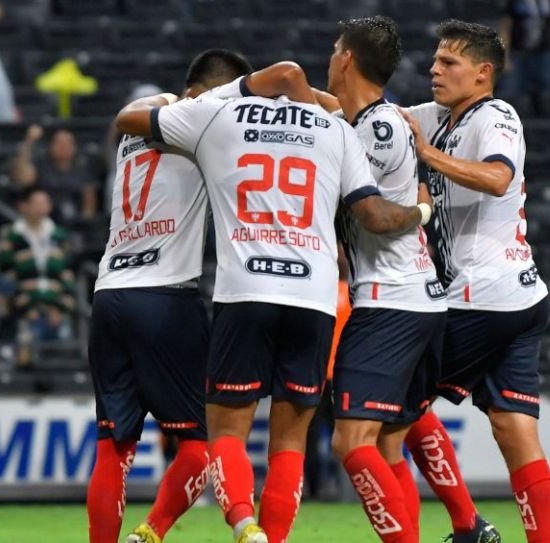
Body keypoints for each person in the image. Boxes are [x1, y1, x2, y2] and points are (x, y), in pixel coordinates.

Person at [115, 62, 431, 543]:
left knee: (225, 433)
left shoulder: (218, 115)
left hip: (245, 292)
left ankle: (244, 522)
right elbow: (370, 212)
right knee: (290, 443)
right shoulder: (336, 128)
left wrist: (225, 93)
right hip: (314, 297)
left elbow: (131, 121)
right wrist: (423, 207)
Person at [264, 17, 497, 543]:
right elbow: (327, 106)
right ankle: (464, 526)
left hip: (390, 303)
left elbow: (371, 214)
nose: (327, 59)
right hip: (412, 300)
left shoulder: (379, 128)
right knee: (391, 443)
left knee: (351, 442)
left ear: (346, 59)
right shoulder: (364, 120)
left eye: (332, 50)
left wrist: (420, 211)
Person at [90, 50, 267, 543]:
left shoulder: (143, 113)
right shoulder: (205, 123)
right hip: (165, 298)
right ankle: (150, 534)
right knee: (202, 445)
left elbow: (121, 125)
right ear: (215, 93)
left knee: (112, 448)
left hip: (109, 294)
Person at [400, 20, 550, 543]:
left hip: (481, 296)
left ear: (483, 73)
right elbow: (368, 111)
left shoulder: (497, 115)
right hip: (518, 297)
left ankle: (466, 525)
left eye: (449, 63)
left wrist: (427, 157)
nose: (434, 70)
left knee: (389, 409)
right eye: (436, 60)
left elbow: (497, 178)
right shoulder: (439, 117)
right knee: (514, 429)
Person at [0, 188, 75, 350]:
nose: (41, 207)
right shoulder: (12, 235)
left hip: (56, 312)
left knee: (62, 360)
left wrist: (59, 308)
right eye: (36, 203)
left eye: (45, 203)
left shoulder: (58, 235)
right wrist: (25, 307)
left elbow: (67, 274)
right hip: (23, 313)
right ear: (24, 206)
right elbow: (6, 274)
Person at [498, 0, 550, 111]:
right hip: (519, 54)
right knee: (508, 93)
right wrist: (505, 59)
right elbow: (506, 28)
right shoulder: (514, 2)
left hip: (544, 54)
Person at [11, 126, 99, 224]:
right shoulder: (41, 163)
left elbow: (89, 200)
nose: (64, 147)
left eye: (68, 143)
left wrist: (85, 221)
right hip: (43, 219)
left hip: (74, 219)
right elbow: (24, 178)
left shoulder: (81, 165)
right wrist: (29, 141)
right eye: (60, 143)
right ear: (51, 146)